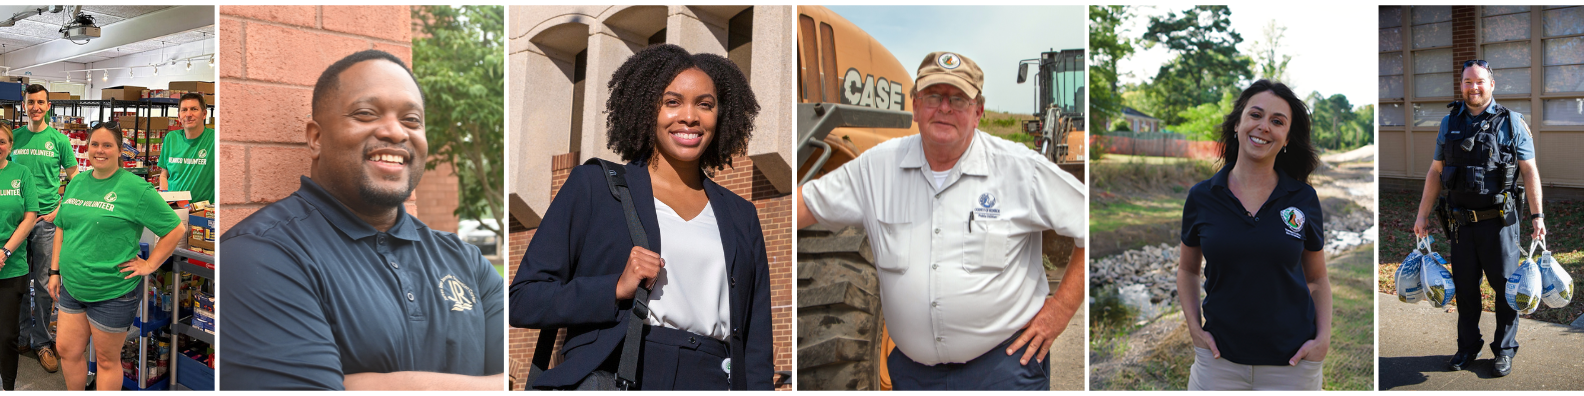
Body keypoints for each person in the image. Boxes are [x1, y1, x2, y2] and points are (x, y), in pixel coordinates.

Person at [796, 51, 1087, 390]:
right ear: (916, 105)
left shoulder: (1019, 169)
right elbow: (805, 205)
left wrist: (1061, 309)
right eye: (934, 96)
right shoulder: (875, 169)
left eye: (959, 99)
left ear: (977, 112)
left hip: (1002, 368)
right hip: (912, 374)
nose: (945, 108)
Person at [219, 50, 504, 390]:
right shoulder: (258, 254)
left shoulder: (467, 262)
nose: (396, 132)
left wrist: (363, 385)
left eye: (412, 120)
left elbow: (519, 380)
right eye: (366, 113)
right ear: (316, 138)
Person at [511, 44, 772, 391]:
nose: (690, 117)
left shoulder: (742, 215)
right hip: (621, 371)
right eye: (672, 102)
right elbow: (524, 300)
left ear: (720, 116)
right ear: (648, 108)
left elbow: (755, 340)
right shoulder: (596, 187)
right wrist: (613, 288)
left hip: (713, 377)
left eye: (705, 105)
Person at [1176, 80, 1331, 390]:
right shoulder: (1202, 196)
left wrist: (1323, 340)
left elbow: (1317, 279)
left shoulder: (1302, 199)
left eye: (1277, 121)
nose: (1263, 127)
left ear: (1287, 138)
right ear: (1238, 124)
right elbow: (1187, 270)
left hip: (1293, 365)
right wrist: (1195, 328)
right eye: (1255, 115)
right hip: (1218, 363)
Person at [1412, 59, 1541, 378]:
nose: (1474, 87)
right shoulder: (1449, 123)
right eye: (1468, 81)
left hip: (1500, 224)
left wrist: (1538, 216)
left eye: (1480, 81)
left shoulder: (1512, 122)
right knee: (1466, 289)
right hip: (1461, 226)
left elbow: (1529, 171)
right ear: (1461, 85)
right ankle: (1468, 346)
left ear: (1492, 84)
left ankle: (1504, 350)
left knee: (1507, 289)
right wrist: (1422, 214)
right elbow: (1435, 171)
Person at [49, 122, 187, 390]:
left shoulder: (136, 188)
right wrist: (54, 271)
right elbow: (61, 227)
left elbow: (175, 229)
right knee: (66, 350)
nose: (100, 151)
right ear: (87, 148)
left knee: (106, 360)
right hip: (73, 286)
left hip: (113, 291)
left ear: (120, 150)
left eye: (107, 145)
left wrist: (149, 264)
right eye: (94, 145)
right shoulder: (77, 182)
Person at [10, 84, 72, 374]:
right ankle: (22, 336)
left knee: (47, 285)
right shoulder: (14, 139)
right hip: (18, 223)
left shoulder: (59, 140)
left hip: (46, 223)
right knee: (20, 281)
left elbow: (76, 178)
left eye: (40, 102)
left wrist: (59, 209)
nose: (35, 106)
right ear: (24, 106)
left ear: (48, 106)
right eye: (30, 102)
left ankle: (42, 341)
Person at [0, 126, 39, 390]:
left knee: (7, 336)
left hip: (11, 267)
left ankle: (9, 387)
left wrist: (5, 251)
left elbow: (30, 216)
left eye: (2, 141)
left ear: (10, 146)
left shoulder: (22, 174)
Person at [158, 93, 215, 203]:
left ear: (204, 114)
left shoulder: (214, 139)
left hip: (201, 211)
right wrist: (165, 200)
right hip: (173, 210)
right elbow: (164, 175)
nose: (188, 114)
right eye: (184, 110)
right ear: (179, 116)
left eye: (194, 109)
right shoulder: (171, 138)